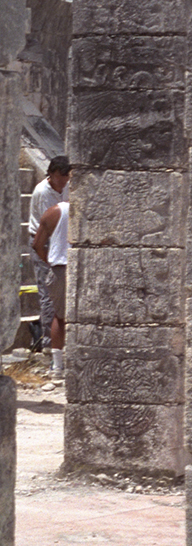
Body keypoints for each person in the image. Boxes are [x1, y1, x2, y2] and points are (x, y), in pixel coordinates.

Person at [28, 156, 71, 350]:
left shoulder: (67, 187)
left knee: (60, 295)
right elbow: (47, 226)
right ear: (51, 174)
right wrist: (49, 260)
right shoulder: (42, 192)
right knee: (47, 294)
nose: (62, 182)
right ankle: (47, 343)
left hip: (60, 242)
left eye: (66, 177)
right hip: (43, 241)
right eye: (59, 177)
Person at [31, 200, 68, 381]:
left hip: (60, 267)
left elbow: (37, 244)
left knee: (59, 317)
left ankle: (58, 367)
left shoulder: (53, 212)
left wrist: (50, 262)